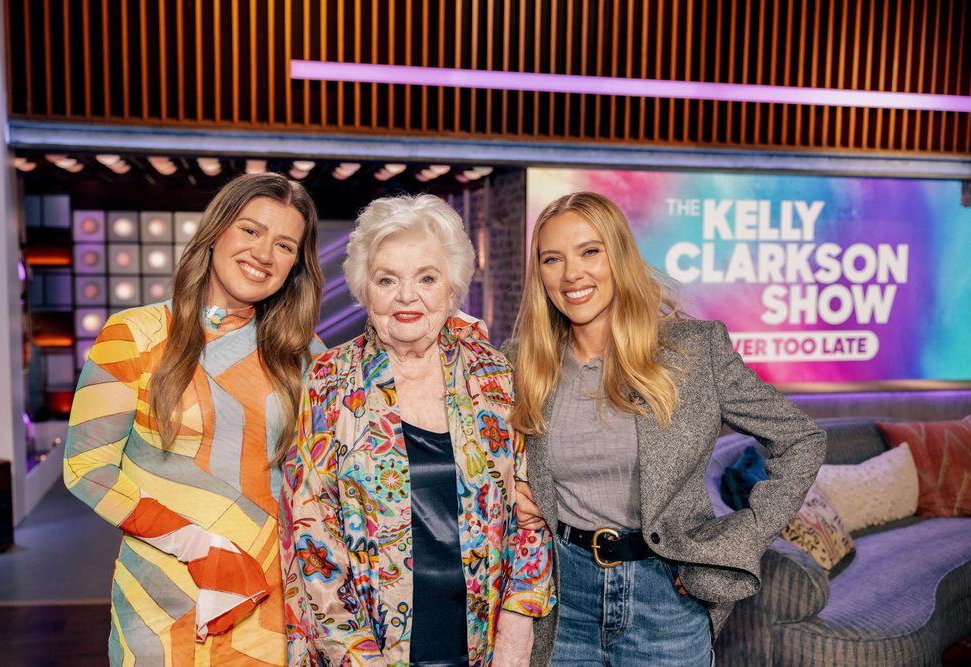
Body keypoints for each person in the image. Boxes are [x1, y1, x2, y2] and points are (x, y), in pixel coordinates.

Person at [505, 192, 826, 666]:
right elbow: (470, 456)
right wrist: (507, 492)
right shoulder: (519, 363)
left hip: (665, 603)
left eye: (589, 251)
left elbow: (802, 439)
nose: (571, 273)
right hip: (559, 600)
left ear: (619, 255)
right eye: (553, 259)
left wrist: (735, 541)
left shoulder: (694, 351)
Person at [279, 194, 556, 667]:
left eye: (426, 278)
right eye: (387, 279)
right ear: (365, 289)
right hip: (367, 647)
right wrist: (357, 657)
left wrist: (516, 628)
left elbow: (531, 515)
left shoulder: (494, 375)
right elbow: (311, 536)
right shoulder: (329, 380)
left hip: (485, 642)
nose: (407, 296)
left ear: (452, 288)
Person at [64, 172, 325, 665]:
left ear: (296, 264)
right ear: (216, 230)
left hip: (273, 601)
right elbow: (87, 468)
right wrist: (198, 546)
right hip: (161, 598)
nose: (264, 253)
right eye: (251, 230)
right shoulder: (135, 335)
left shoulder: (305, 354)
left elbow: (324, 471)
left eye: (285, 245)